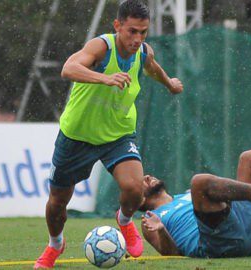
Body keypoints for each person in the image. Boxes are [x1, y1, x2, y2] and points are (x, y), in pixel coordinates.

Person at [34, 0, 183, 268]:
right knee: (57, 204)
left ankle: (124, 221)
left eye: (143, 32)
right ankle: (55, 244)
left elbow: (151, 66)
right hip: (77, 136)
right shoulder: (101, 47)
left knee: (135, 189)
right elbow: (68, 68)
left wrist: (169, 83)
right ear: (117, 26)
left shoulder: (142, 52)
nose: (138, 39)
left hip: (117, 134)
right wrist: (105, 77)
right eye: (132, 31)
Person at [140, 150, 251, 258]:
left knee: (249, 157)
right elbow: (172, 255)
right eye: (140, 181)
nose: (146, 176)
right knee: (199, 182)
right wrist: (161, 229)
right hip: (221, 245)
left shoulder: (184, 196)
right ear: (138, 199)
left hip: (244, 228)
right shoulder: (151, 220)